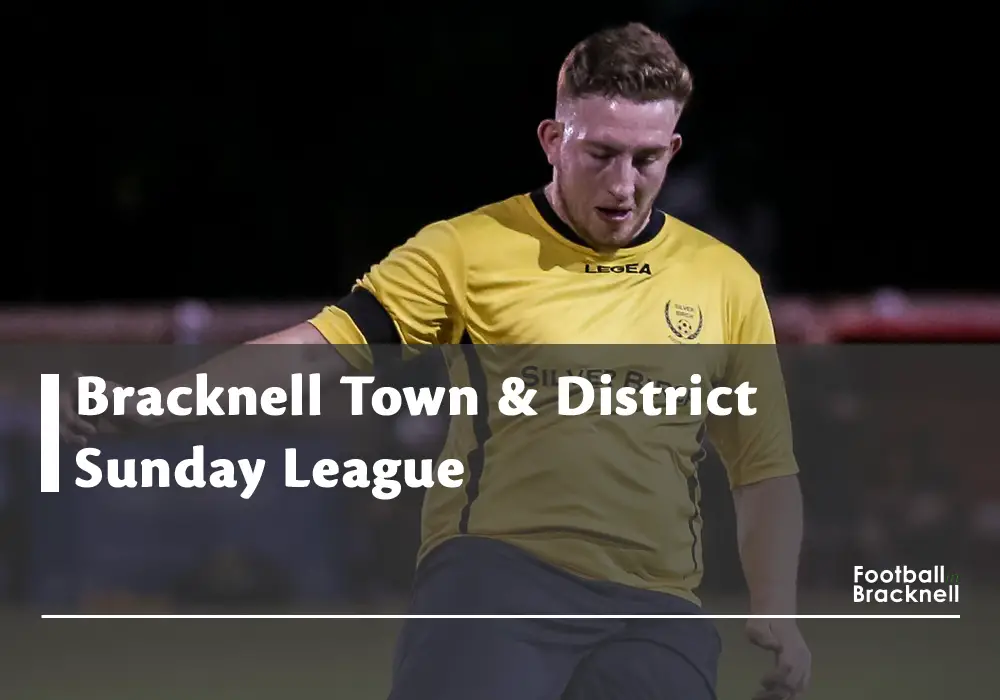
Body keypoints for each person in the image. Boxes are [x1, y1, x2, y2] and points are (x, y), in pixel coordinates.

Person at [61, 22, 811, 700]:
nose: (623, 185)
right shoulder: (467, 250)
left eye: (646, 159)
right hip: (500, 579)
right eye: (601, 154)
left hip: (655, 607)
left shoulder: (723, 279)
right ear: (553, 139)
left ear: (673, 149)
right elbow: (319, 349)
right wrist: (150, 405)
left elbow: (763, 467)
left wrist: (777, 606)